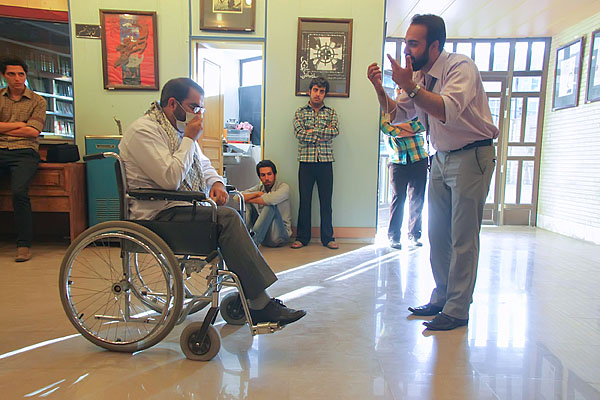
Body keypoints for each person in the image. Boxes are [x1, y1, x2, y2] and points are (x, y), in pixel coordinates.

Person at [118, 77, 306, 326]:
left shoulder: (176, 131)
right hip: (157, 214)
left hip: (178, 207)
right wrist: (189, 139)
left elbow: (203, 164)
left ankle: (253, 296)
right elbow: (170, 179)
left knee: (231, 208)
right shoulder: (144, 131)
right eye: (193, 106)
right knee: (226, 218)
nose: (198, 114)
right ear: (173, 103)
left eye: (200, 108)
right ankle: (260, 303)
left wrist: (216, 182)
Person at [367, 14, 498, 330]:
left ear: (435, 46)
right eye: (406, 43)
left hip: (471, 156)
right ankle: (442, 298)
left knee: (463, 238)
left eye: (414, 44)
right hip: (440, 157)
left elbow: (446, 110)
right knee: (438, 235)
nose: (407, 50)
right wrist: (380, 88)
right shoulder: (420, 76)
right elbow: (398, 113)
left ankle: (457, 309)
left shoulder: (460, 68)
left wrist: (410, 85)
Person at [0, 57, 47, 262]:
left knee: (19, 192)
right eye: (12, 74)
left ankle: (24, 245)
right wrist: (20, 124)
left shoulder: (38, 101)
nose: (17, 78)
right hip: (1, 149)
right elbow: (26, 128)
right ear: (4, 76)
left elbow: (33, 131)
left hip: (25, 152)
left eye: (21, 74)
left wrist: (4, 128)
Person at [292, 77, 339, 250]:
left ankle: (328, 238)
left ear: (325, 94)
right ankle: (302, 238)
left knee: (326, 202)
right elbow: (299, 133)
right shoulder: (300, 112)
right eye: (315, 90)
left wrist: (312, 132)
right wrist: (321, 135)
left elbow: (334, 131)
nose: (318, 94)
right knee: (305, 201)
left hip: (325, 162)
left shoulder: (331, 112)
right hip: (306, 162)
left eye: (322, 91)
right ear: (309, 91)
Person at [381, 110, 428, 250]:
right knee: (398, 198)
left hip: (419, 159)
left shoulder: (417, 112)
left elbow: (421, 127)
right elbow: (387, 129)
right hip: (397, 161)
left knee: (417, 198)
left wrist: (396, 124)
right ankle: (394, 236)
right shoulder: (387, 112)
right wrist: (410, 129)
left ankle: (414, 234)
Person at [242, 159, 292, 247]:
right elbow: (237, 197)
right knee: (246, 204)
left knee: (270, 205)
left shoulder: (284, 187)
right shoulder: (259, 189)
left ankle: (252, 244)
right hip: (264, 234)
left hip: (279, 235)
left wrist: (249, 198)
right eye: (263, 175)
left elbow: (270, 200)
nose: (266, 178)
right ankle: (243, 238)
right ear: (259, 177)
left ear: (275, 175)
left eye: (269, 174)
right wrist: (257, 194)